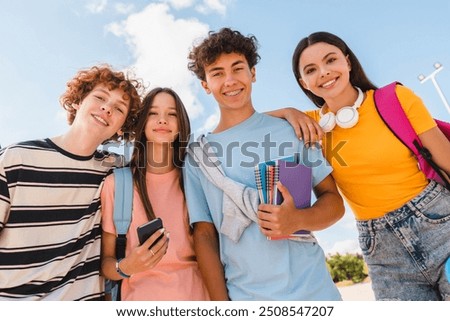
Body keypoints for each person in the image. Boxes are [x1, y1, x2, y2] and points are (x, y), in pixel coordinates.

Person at [183, 27, 345, 301]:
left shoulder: (292, 130)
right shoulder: (198, 156)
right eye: (217, 73)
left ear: (253, 73)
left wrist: (298, 220)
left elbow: (334, 202)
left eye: (238, 69)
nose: (230, 80)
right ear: (205, 85)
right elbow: (205, 236)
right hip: (247, 297)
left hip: (316, 292)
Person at [291, 31, 450, 300]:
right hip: (384, 251)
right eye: (311, 70)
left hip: (440, 224)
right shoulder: (310, 127)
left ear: (348, 62)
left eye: (331, 60)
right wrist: (286, 112)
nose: (324, 72)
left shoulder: (395, 98)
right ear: (304, 83)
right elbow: (253, 121)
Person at [0, 64, 143, 300]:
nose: (107, 108)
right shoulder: (16, 159)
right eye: (100, 97)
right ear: (78, 101)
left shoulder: (116, 172)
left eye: (119, 109)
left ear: (122, 128)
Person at [100, 87, 210, 301]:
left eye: (172, 114)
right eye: (153, 113)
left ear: (181, 125)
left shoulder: (196, 179)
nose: (162, 120)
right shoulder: (118, 184)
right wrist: (126, 267)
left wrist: (285, 112)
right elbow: (106, 264)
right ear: (142, 122)